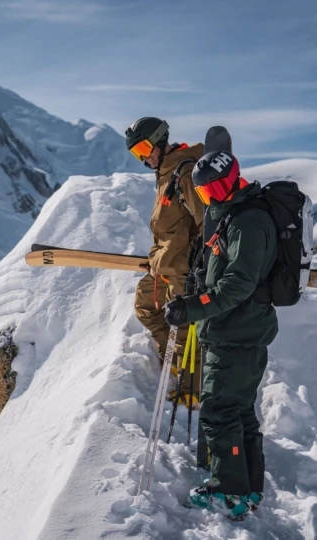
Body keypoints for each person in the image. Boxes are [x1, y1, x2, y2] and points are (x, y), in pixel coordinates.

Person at [163, 150, 277, 520]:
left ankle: (228, 491)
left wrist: (191, 309)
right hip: (238, 330)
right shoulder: (234, 217)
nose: (211, 198)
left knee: (218, 413)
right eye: (204, 194)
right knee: (240, 414)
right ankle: (248, 490)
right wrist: (200, 283)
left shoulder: (249, 221)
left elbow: (238, 284)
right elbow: (225, 273)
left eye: (215, 189)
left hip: (236, 333)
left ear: (231, 181)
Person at [124, 117, 205, 405]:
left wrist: (199, 266)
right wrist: (157, 258)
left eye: (145, 148)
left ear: (161, 140)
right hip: (165, 267)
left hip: (185, 270)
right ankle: (171, 359)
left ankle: (192, 390)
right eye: (137, 154)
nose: (144, 158)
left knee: (185, 330)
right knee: (145, 304)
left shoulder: (186, 173)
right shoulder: (165, 174)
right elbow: (169, 229)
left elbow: (206, 222)